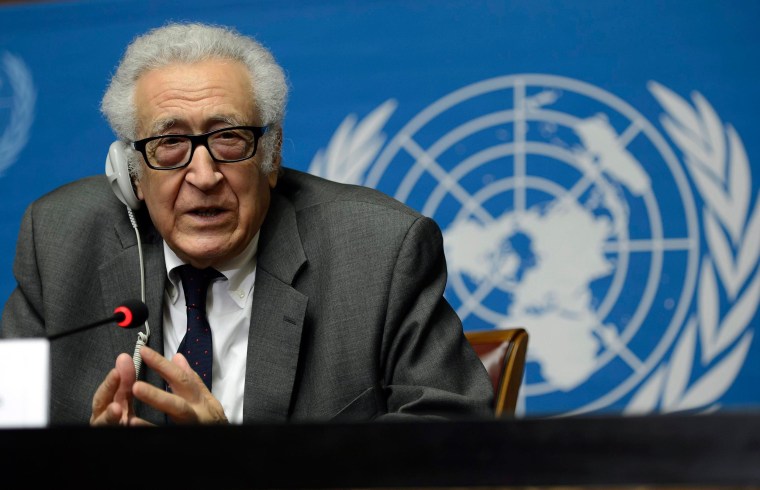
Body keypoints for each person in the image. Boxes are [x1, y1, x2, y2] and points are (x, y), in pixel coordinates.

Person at [0, 22, 493, 426]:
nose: (204, 175)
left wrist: (240, 469)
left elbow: (452, 435)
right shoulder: (60, 239)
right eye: (169, 144)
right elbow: (9, 420)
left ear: (271, 157)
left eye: (230, 138)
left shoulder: (380, 251)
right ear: (132, 173)